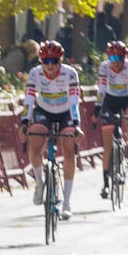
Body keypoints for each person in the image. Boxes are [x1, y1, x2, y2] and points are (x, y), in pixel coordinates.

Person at [23, 41, 82, 219]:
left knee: (69, 149)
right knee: (35, 140)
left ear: (60, 60)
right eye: (45, 60)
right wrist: (24, 121)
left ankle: (66, 203)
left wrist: (76, 124)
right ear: (40, 60)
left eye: (54, 61)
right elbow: (29, 98)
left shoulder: (70, 73)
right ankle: (40, 183)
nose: (50, 65)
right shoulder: (35, 73)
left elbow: (74, 101)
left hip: (65, 112)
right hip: (44, 111)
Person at [96, 40, 128, 199]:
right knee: (107, 144)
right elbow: (101, 88)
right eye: (112, 59)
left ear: (124, 58)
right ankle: (106, 184)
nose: (116, 63)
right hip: (110, 99)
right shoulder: (104, 67)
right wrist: (97, 106)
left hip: (127, 98)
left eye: (119, 59)